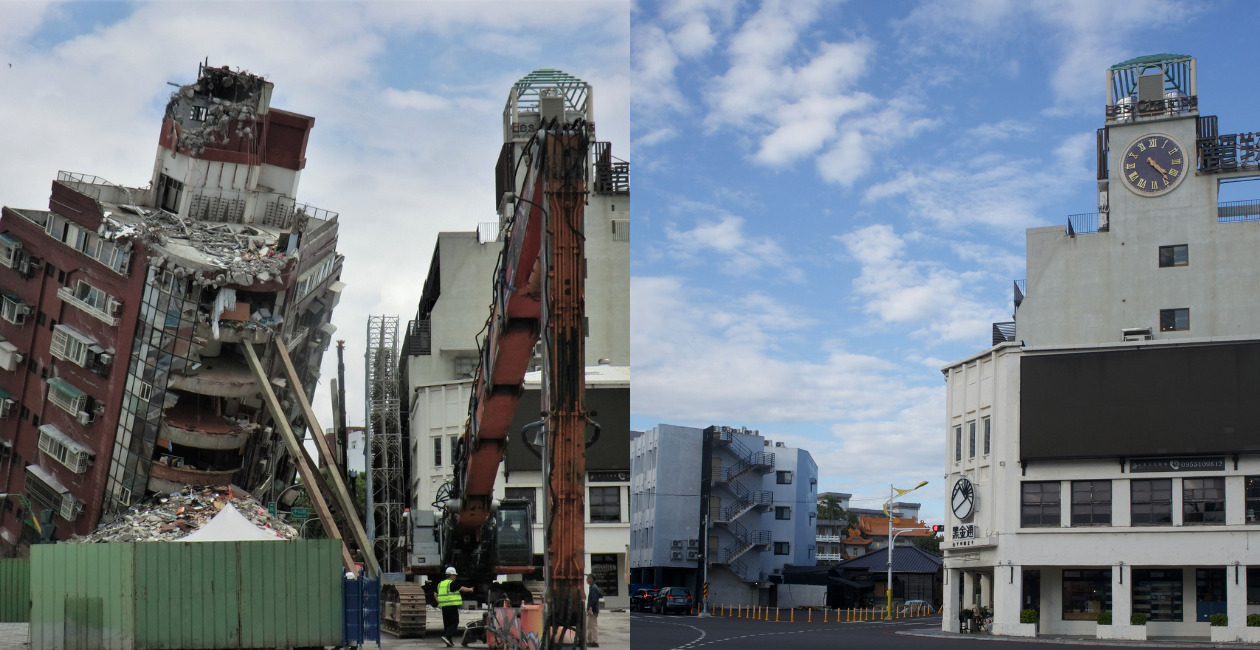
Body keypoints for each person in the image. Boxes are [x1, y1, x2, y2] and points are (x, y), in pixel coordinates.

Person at [437, 567, 473, 648]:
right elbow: (462, 589)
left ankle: (449, 640)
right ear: (452, 575)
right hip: (451, 606)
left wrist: (440, 602)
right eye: (455, 575)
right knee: (454, 622)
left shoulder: (441, 584)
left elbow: (435, 594)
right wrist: (470, 589)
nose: (455, 577)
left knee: (447, 623)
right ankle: (446, 636)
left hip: (444, 606)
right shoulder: (452, 583)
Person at [586, 574, 603, 648]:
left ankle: (594, 641)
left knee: (592, 626)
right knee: (590, 625)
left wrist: (590, 608)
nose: (587, 579)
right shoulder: (593, 587)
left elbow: (594, 599)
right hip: (594, 609)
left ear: (591, 579)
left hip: (593, 610)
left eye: (588, 578)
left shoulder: (593, 587)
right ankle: (590, 641)